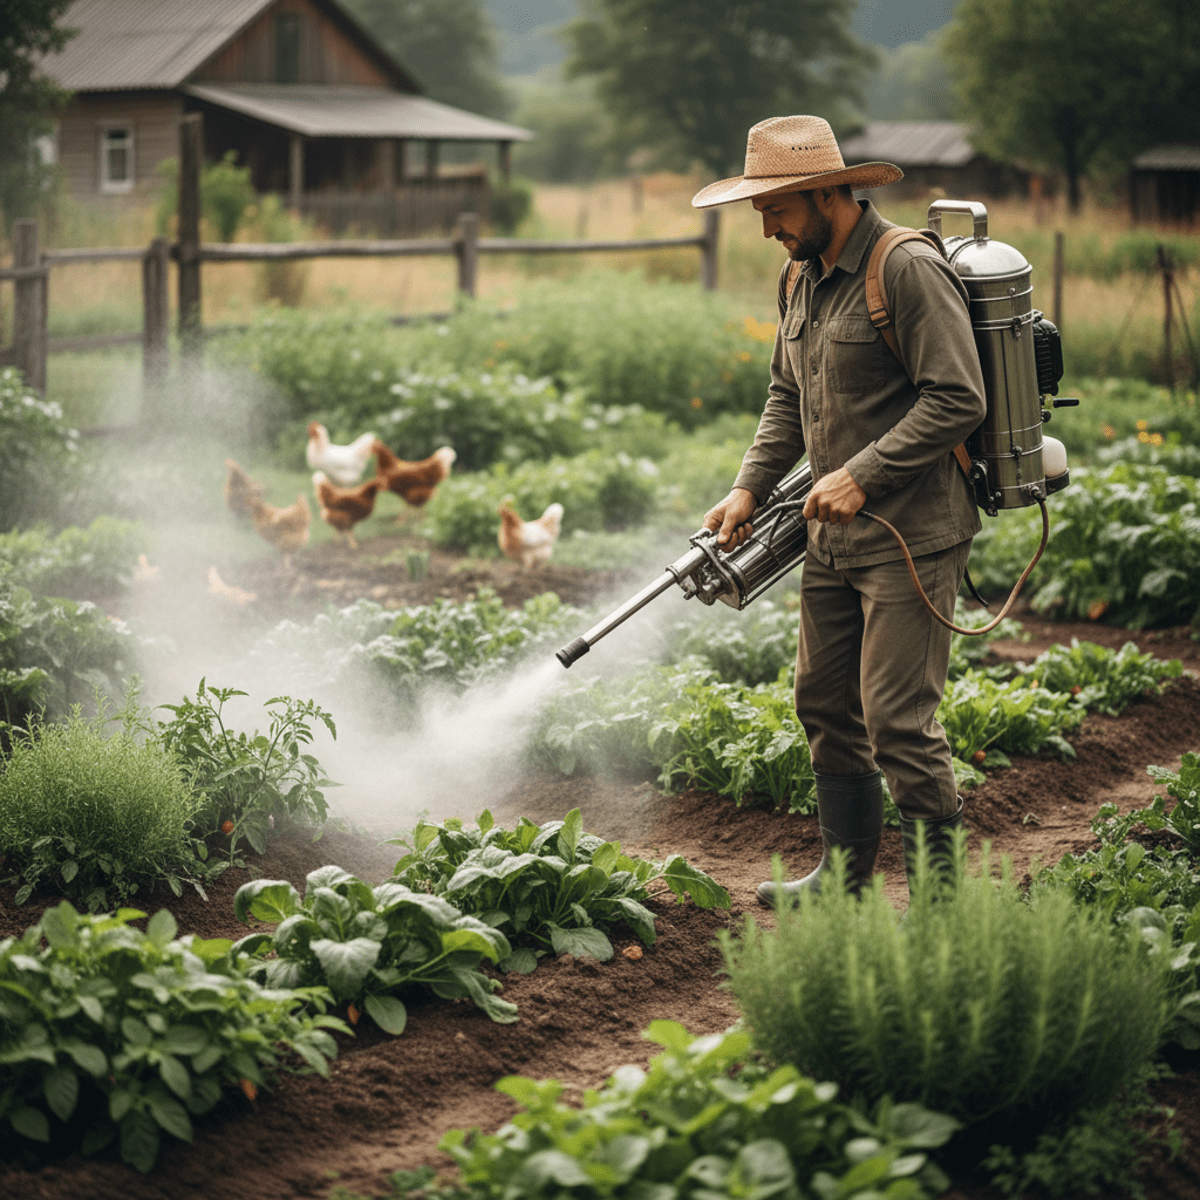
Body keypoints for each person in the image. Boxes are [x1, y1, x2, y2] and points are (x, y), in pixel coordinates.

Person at [692, 115, 986, 904]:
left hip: (910, 533)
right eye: (759, 211)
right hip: (830, 540)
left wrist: (862, 472)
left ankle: (940, 905)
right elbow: (787, 395)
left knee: (897, 719)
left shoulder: (906, 269)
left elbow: (959, 397)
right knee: (824, 702)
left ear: (827, 191)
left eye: (776, 208)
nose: (766, 228)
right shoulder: (799, 276)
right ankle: (845, 878)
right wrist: (750, 486)